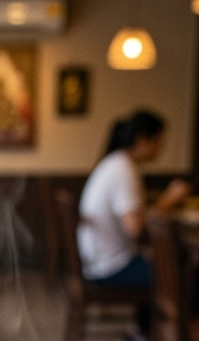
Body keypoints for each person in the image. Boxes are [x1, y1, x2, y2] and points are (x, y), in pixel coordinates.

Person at [77, 111, 191, 289]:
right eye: (159, 140)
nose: (162, 146)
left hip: (97, 261)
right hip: (110, 267)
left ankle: (150, 317)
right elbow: (135, 228)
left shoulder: (115, 162)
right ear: (143, 140)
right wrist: (170, 199)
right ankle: (163, 317)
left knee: (175, 266)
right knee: (187, 274)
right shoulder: (123, 168)